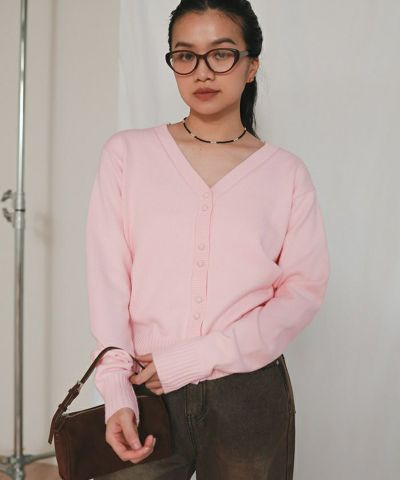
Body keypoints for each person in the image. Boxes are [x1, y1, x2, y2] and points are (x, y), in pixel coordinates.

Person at [85, 1, 330, 479]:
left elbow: (301, 294)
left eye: (221, 54)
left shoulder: (285, 174)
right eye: (185, 55)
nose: (202, 71)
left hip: (248, 393)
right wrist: (115, 390)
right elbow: (108, 280)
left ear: (251, 65)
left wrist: (198, 357)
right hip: (143, 388)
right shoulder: (127, 155)